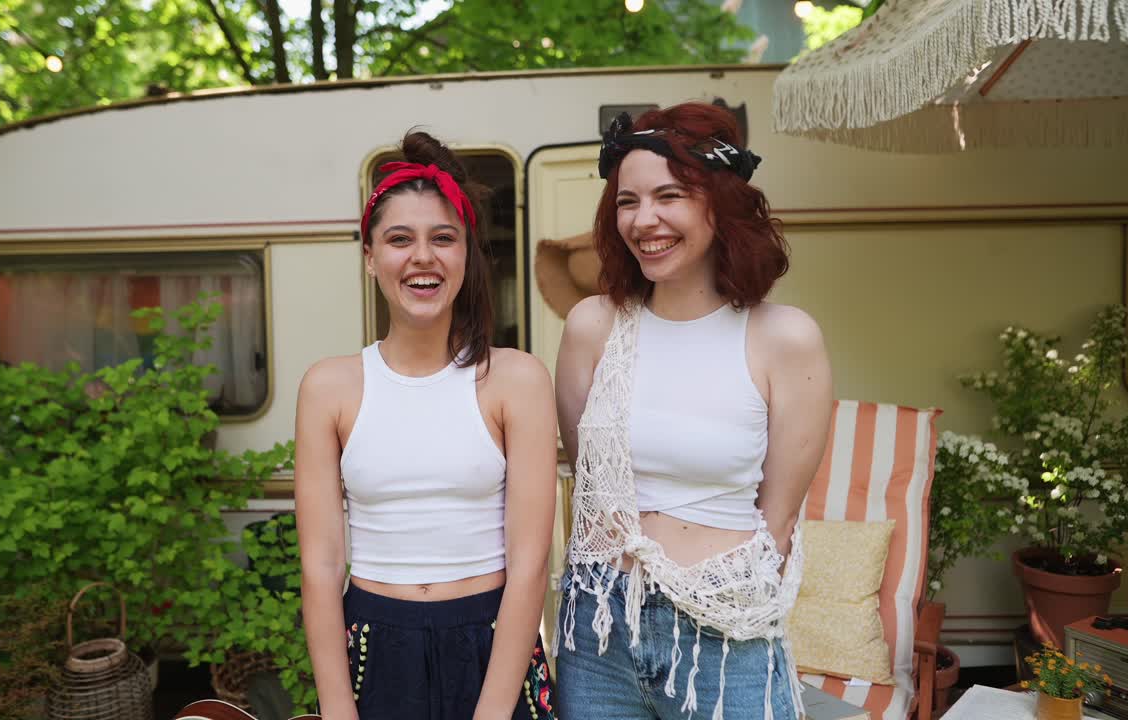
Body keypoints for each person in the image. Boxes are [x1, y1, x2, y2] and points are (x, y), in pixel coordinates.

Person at [553, 102, 833, 720]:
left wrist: (720, 599)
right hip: (600, 629)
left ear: (719, 204)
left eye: (669, 195)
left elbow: (779, 519)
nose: (644, 219)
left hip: (725, 632)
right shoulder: (591, 327)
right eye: (627, 201)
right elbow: (593, 478)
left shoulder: (785, 337)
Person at [295, 130, 559, 720]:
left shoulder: (516, 379)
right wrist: (338, 710)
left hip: (493, 643)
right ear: (369, 257)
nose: (423, 257)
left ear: (466, 255)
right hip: (374, 647)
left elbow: (529, 565)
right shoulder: (327, 388)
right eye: (398, 239)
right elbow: (321, 567)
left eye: (444, 238)